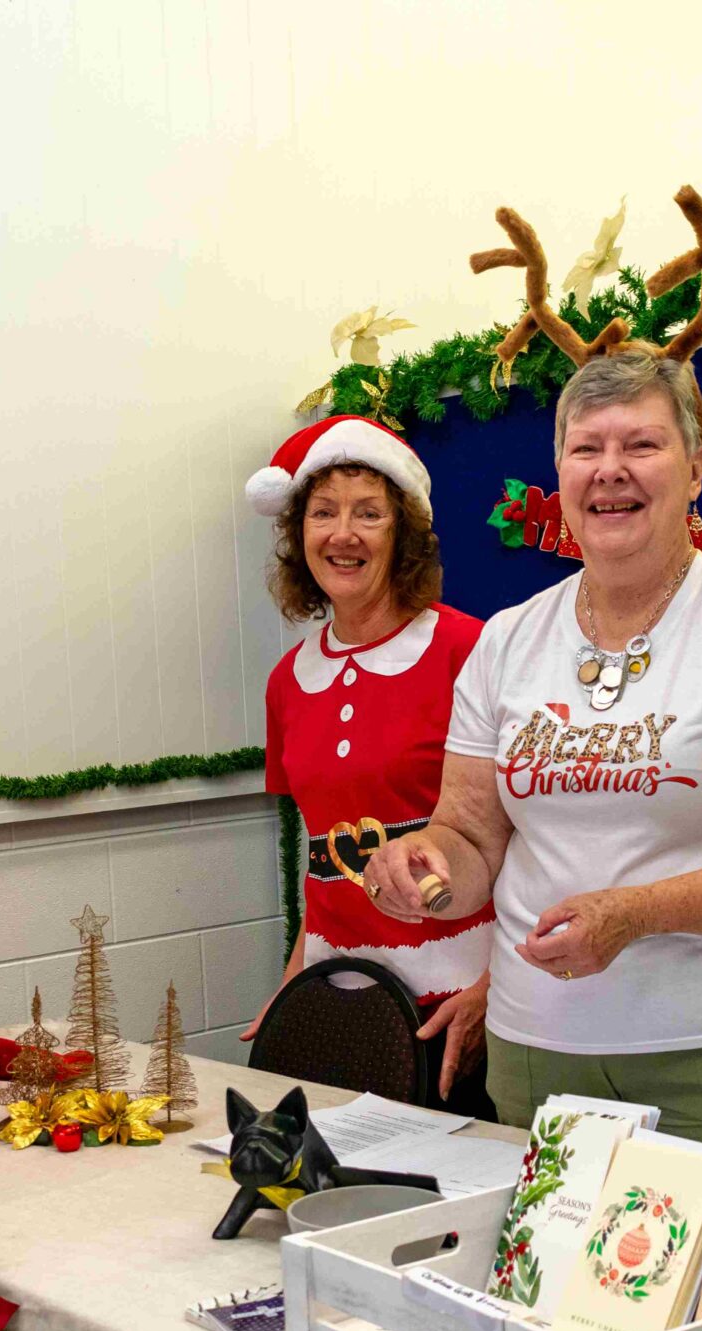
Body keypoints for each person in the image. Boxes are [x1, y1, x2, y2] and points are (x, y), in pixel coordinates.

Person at [362, 347, 702, 1142]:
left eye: (641, 445)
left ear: (696, 469)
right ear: (559, 470)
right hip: (539, 1053)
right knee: (544, 1273)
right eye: (586, 448)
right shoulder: (508, 641)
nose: (610, 470)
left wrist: (639, 913)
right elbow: (470, 839)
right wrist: (425, 866)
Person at [240, 415, 496, 1114]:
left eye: (368, 513)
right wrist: (292, 990)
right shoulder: (288, 682)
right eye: (322, 513)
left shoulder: (468, 650)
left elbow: (533, 839)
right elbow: (321, 861)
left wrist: (494, 991)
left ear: (404, 533)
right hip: (339, 1006)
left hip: (456, 1012)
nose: (342, 534)